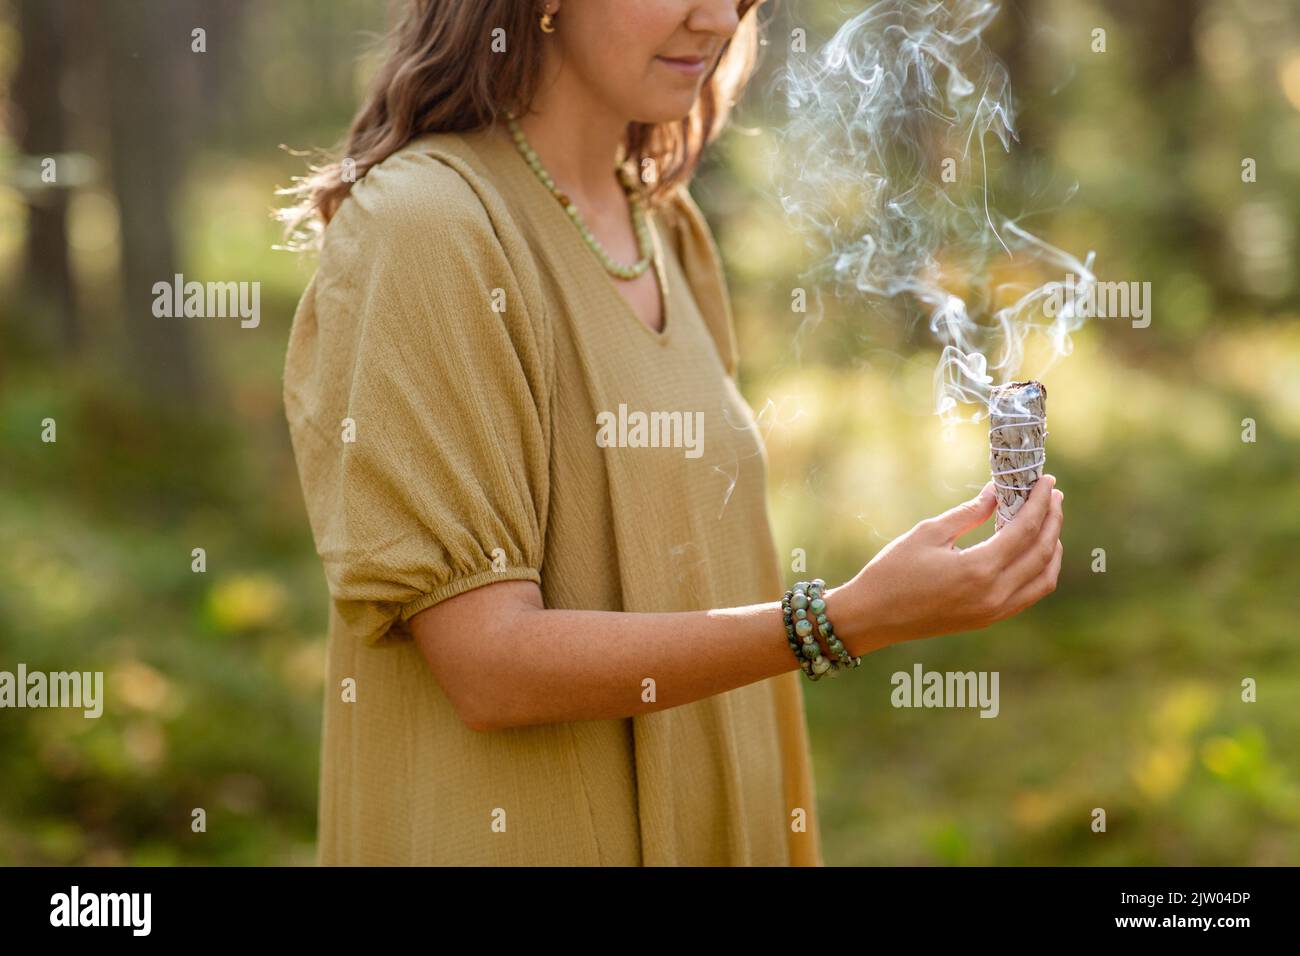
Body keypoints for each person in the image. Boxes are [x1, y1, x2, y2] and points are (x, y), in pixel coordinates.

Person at [280, 0, 1065, 866]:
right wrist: (840, 621)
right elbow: (488, 665)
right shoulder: (427, 227)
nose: (716, 17)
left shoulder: (666, 229)